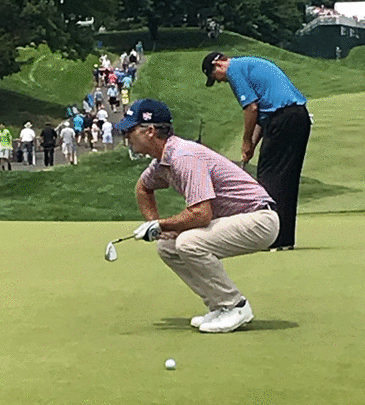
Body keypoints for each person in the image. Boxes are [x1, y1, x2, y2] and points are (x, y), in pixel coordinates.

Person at [117, 99, 279, 333]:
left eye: (129, 130)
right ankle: (219, 306)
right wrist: (154, 224)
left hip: (259, 219)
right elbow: (143, 188)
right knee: (168, 247)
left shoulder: (184, 156)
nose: (126, 137)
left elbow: (201, 215)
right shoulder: (163, 161)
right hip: (238, 220)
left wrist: (160, 224)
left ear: (150, 131)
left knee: (188, 242)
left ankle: (235, 305)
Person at [202, 50, 312, 251]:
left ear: (218, 65)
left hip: (283, 118)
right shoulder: (248, 65)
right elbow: (262, 113)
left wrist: (245, 140)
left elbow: (251, 108)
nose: (220, 82)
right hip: (297, 117)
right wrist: (252, 144)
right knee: (286, 179)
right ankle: (283, 239)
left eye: (215, 77)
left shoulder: (234, 69)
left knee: (270, 178)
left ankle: (270, 237)